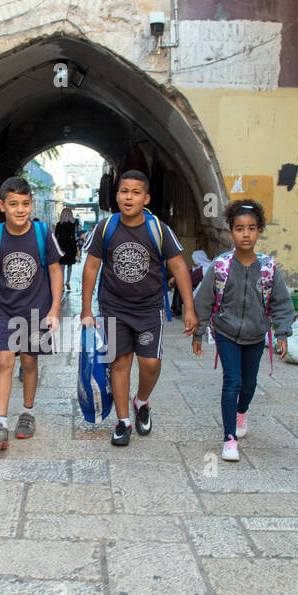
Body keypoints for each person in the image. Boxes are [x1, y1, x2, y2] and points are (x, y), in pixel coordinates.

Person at [80, 170, 197, 445]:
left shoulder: (158, 229)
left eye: (135, 192)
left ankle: (141, 401)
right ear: (117, 195)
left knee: (151, 363)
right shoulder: (105, 228)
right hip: (113, 308)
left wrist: (189, 308)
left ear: (146, 198)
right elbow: (91, 266)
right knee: (120, 363)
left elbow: (179, 266)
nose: (128, 197)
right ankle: (123, 422)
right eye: (123, 191)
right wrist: (86, 309)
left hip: (149, 309)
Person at [191, 199, 294, 461]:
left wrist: (282, 334)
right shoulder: (221, 265)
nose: (245, 234)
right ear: (230, 232)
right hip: (226, 334)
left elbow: (281, 303)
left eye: (251, 228)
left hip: (256, 335)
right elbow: (203, 300)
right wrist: (199, 333)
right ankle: (229, 439)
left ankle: (242, 411)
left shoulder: (269, 267)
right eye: (239, 228)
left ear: (259, 231)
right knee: (232, 383)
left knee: (249, 385)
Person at [0, 178, 63, 449]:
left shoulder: (42, 233)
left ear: (31, 204)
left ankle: (28, 413)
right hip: (6, 310)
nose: (20, 209)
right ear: (2, 205)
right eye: (13, 204)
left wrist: (55, 309)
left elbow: (55, 270)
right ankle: (0, 422)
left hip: (37, 310)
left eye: (25, 204)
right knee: (4, 362)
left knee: (29, 362)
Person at [54, 207, 80, 291]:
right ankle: (68, 281)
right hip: (70, 248)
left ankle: (61, 285)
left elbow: (55, 237)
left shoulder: (58, 224)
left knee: (61, 267)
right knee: (69, 266)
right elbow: (73, 238)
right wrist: (76, 249)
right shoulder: (71, 225)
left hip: (61, 248)